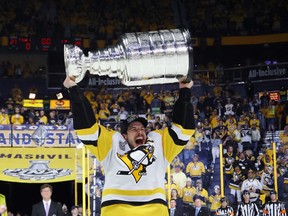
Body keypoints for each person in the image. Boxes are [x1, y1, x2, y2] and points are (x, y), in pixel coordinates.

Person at [63, 76, 195, 216]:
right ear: (124, 136)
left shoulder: (157, 142)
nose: (140, 132)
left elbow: (184, 130)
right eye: (134, 129)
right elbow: (87, 129)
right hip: (116, 209)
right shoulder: (113, 142)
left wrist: (185, 91)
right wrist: (73, 89)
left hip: (154, 209)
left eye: (142, 129)